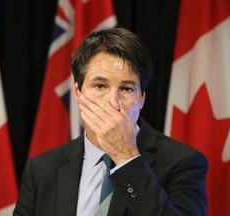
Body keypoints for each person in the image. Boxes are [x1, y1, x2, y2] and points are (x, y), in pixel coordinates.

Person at [13, 28, 207, 216]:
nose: (113, 103)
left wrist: (126, 156)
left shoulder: (184, 163)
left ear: (142, 99)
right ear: (78, 93)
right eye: (99, 86)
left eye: (126, 89)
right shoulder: (41, 169)